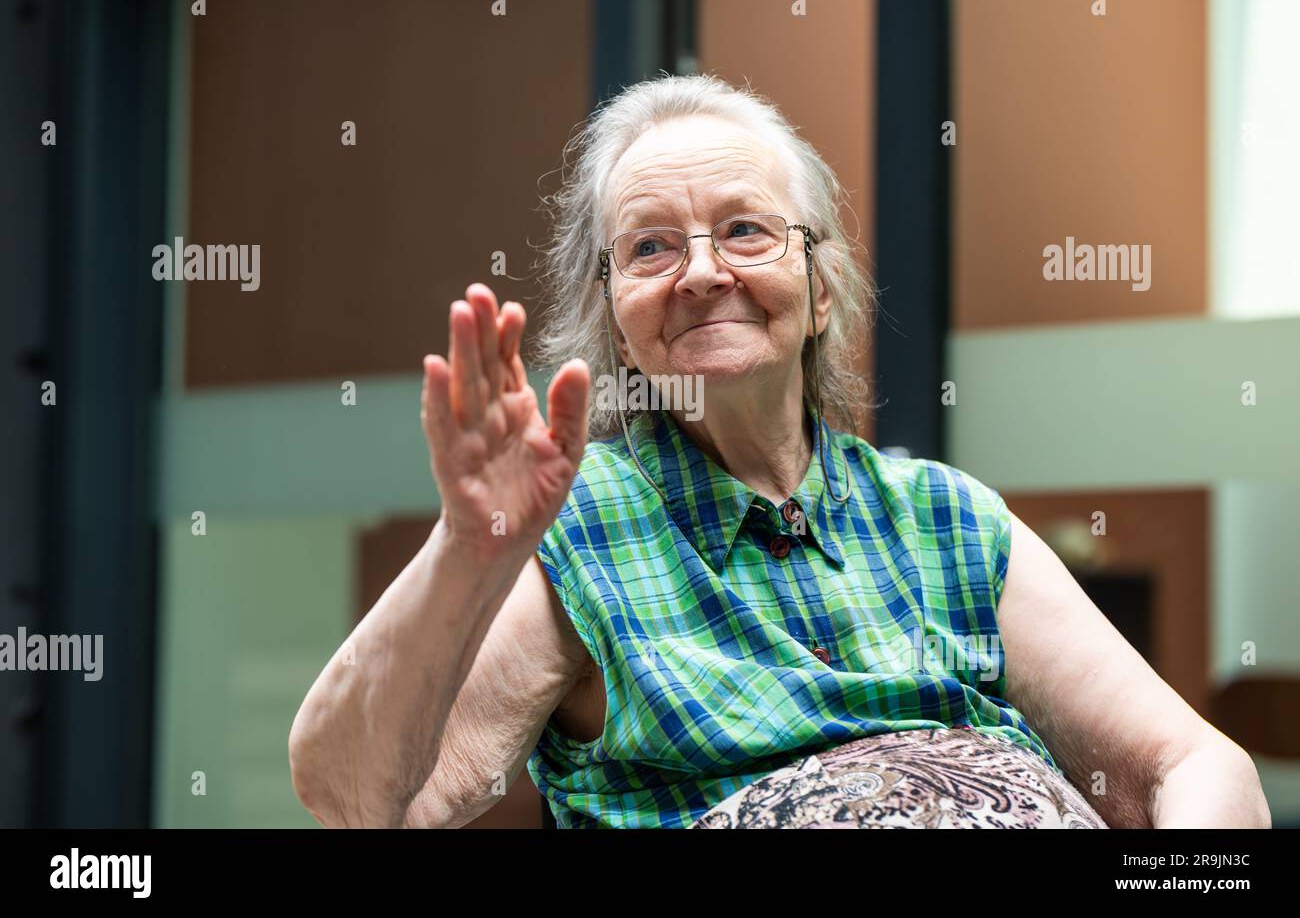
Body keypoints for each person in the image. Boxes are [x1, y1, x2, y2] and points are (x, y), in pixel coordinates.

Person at [288, 73, 1270, 829]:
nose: (703, 272)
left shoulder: (944, 520)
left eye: (745, 231)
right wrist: (472, 546)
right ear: (617, 326)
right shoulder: (580, 531)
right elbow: (359, 800)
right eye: (650, 248)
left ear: (823, 288)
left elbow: (1195, 766)